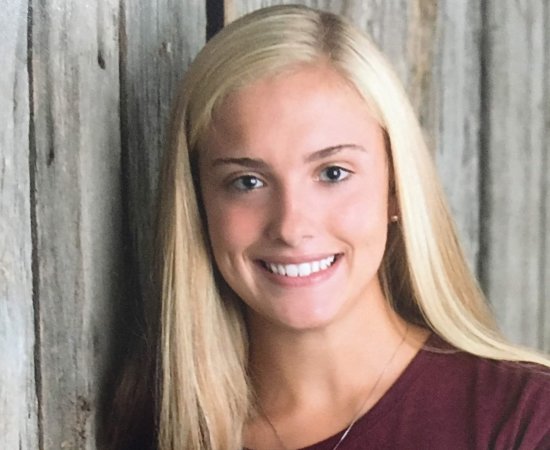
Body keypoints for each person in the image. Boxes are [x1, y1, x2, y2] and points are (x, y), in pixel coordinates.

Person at [108, 5, 550, 450]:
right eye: (247, 181)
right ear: (199, 204)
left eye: (333, 172)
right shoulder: (154, 425)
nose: (292, 226)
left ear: (395, 189)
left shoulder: (525, 420)